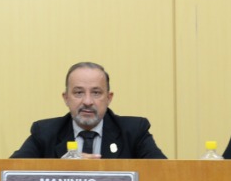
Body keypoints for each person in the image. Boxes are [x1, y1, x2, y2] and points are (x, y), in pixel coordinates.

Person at [10, 61, 166, 159]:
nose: (87, 101)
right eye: (78, 92)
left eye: (96, 93)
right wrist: (59, 171)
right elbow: (11, 174)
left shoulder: (134, 131)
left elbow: (163, 174)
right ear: (66, 98)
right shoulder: (44, 132)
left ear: (109, 98)